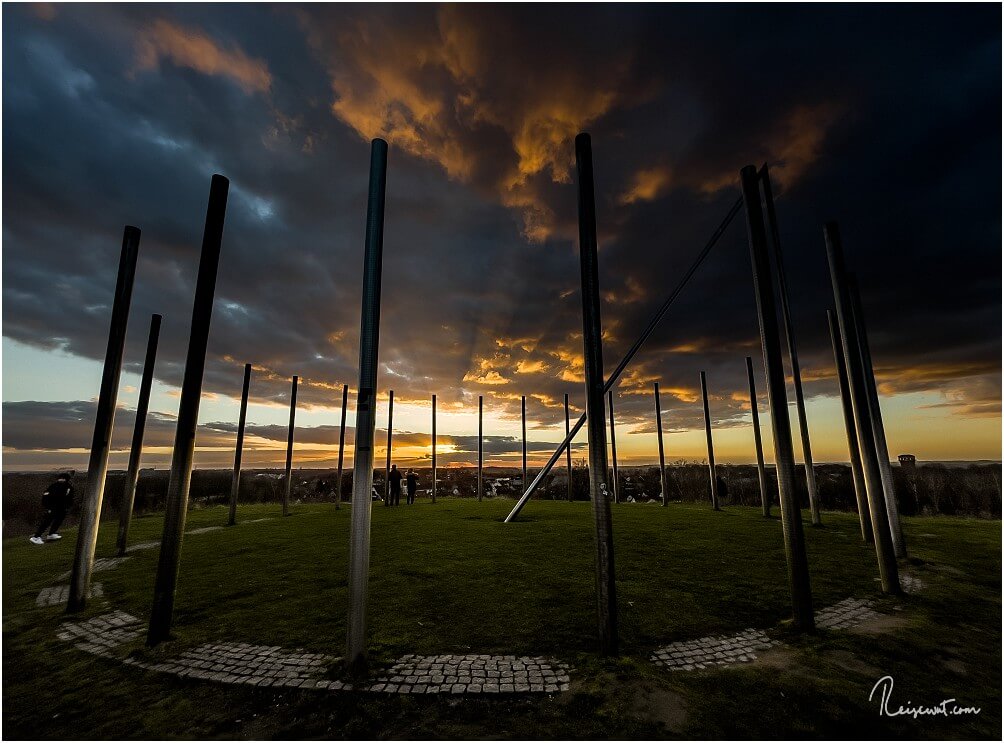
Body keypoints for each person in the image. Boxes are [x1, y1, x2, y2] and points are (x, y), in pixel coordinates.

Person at [31, 472, 74, 545]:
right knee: (47, 522)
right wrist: (49, 507)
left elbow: (46, 496)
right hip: (55, 507)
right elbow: (67, 497)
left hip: (60, 507)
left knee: (57, 521)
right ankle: (36, 537)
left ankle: (51, 534)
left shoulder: (55, 486)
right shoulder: (64, 486)